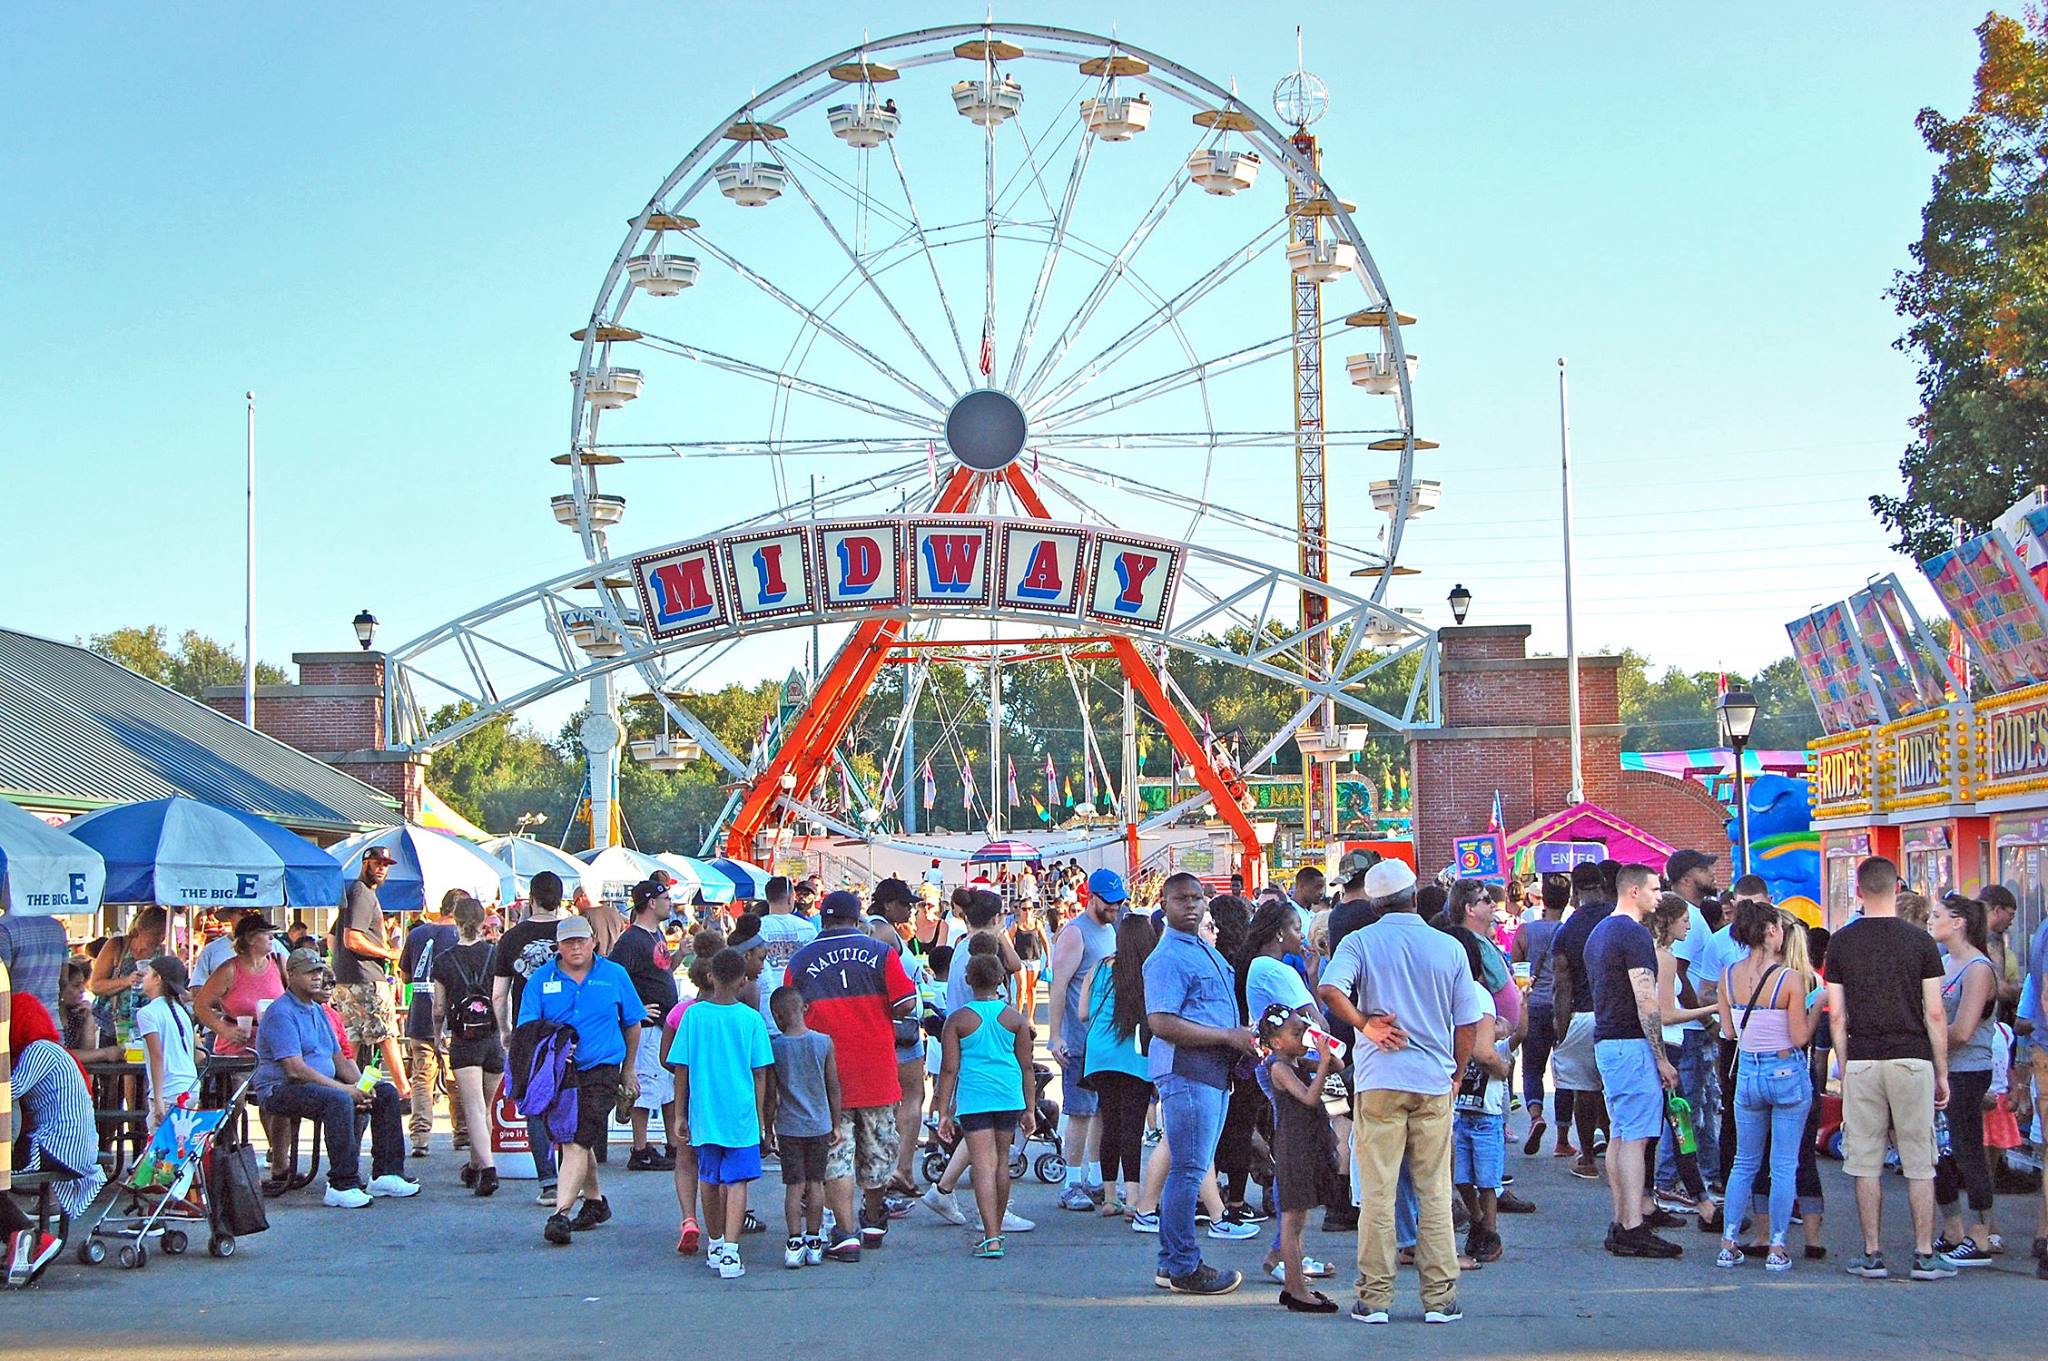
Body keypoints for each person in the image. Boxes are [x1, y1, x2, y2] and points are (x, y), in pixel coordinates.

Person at [1317, 856, 1477, 1325]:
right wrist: (1456, 1074)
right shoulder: (1448, 946)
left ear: (1374, 904)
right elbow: (1468, 1021)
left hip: (1379, 1082)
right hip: (1432, 1081)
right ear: (1415, 897)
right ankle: (1440, 1298)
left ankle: (1374, 1298)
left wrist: (1365, 1025)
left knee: (1378, 1194)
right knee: (1434, 1191)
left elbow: (1329, 989)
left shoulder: (1361, 942)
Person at [1824, 856, 1953, 1281]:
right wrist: (1941, 1070)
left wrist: (1845, 1066)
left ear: (1858, 891)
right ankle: (1923, 1254)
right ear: (1897, 888)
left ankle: (1872, 1253)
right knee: (1919, 1160)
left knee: (1865, 1161)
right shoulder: (1920, 942)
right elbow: (1935, 1012)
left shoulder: (1840, 943)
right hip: (1912, 1057)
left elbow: (1836, 1014)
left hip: (1863, 1058)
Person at [783, 889, 917, 1261]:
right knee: (877, 1149)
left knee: (836, 1155)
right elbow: (906, 1003)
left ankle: (845, 1233)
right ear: (857, 919)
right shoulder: (881, 953)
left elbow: (788, 1011)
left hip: (825, 1075)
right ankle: (872, 1219)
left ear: (823, 919)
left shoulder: (801, 959)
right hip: (876, 1068)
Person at [1144, 872, 1257, 1296]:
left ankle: (1172, 1262)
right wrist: (1228, 1036)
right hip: (1188, 1070)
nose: (1191, 905)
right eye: (1181, 899)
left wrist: (1238, 1036)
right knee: (1189, 1169)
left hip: (1211, 1070)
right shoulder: (1168, 956)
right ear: (1164, 904)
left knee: (1192, 1165)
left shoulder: (1200, 947)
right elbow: (1161, 1021)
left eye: (1196, 898)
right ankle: (1182, 1265)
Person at [253, 947, 418, 1209]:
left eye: (319, 972)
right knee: (338, 1100)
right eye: (309, 972)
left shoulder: (318, 1010)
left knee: (384, 1092)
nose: (317, 978)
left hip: (319, 1084)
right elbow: (294, 1069)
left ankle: (387, 1174)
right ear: (291, 974)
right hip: (281, 1089)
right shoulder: (281, 1012)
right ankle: (342, 1183)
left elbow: (339, 1058)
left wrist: (362, 1086)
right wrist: (344, 1090)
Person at [519, 914, 640, 1245]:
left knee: (576, 1139)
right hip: (561, 1073)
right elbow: (527, 1029)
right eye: (568, 942)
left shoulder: (614, 975)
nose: (575, 947)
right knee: (575, 1137)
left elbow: (632, 1024)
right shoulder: (540, 980)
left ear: (594, 942)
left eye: (581, 941)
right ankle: (596, 1201)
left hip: (602, 1067)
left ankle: (560, 1214)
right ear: (557, 946)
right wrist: (554, 1041)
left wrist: (629, 1069)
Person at [1585, 864, 1683, 1259]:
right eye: (1655, 889)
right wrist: (1661, 1057)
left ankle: (1621, 1220)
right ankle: (1632, 1225)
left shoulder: (1599, 932)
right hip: (1630, 1043)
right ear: (1634, 891)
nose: (1659, 897)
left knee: (1621, 1133)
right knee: (1636, 1137)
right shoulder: (1634, 934)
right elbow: (1647, 1000)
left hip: (1608, 1041)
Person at [1715, 897, 1817, 1271]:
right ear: (1772, 931)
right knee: (1784, 1165)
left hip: (1748, 1072)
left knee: (1744, 1162)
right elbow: (1800, 1036)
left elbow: (1728, 1032)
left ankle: (1728, 1243)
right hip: (1784, 1070)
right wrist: (1818, 1006)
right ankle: (1777, 1245)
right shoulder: (1789, 979)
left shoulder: (1728, 976)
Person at [672, 948, 771, 1279]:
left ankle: (714, 1242)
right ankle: (731, 1249)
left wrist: (680, 1113)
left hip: (704, 1113)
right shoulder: (751, 1020)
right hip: (741, 1115)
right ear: (744, 981)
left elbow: (681, 1068)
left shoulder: (693, 1017)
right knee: (738, 1181)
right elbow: (760, 1072)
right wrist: (761, 1119)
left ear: (710, 977)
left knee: (709, 1179)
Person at [934, 953, 1036, 1260]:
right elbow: (1027, 1067)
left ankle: (991, 1237)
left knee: (982, 1164)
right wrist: (1030, 1109)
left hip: (975, 1097)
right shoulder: (1015, 1019)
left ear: (968, 980)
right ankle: (998, 1229)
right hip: (1008, 1095)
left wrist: (943, 1110)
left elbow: (949, 1069)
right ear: (1001, 980)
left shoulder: (958, 1020)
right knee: (1002, 1161)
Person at [1046, 866, 1123, 1212]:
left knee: (1101, 1111)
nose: (1114, 907)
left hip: (1103, 1041)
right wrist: (1055, 1036)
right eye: (1108, 902)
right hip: (1078, 1041)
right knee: (1079, 1111)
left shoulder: (1110, 930)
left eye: (1118, 901)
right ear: (1091, 898)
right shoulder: (1075, 933)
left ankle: (1095, 1179)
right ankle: (1071, 1183)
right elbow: (1059, 986)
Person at [1928, 893, 1998, 1267]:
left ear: (1959, 922)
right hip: (1939, 1067)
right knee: (1937, 1150)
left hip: (1968, 1069)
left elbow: (1964, 1030)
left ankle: (1981, 1234)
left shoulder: (1978, 968)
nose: (1930, 920)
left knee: (1966, 1148)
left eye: (1937, 914)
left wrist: (1925, 1037)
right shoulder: (1943, 964)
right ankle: (1953, 1228)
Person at [1259, 1005, 1341, 1313]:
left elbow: (1338, 1065)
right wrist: (1322, 1063)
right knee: (1291, 1221)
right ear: (1277, 1042)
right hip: (1293, 1148)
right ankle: (1295, 1288)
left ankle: (1296, 1286)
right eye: (1297, 1033)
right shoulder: (1279, 1067)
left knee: (1299, 1220)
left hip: (1308, 1145)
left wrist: (1325, 1049)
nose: (1303, 1036)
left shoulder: (1298, 1061)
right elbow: (1308, 1097)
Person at [1648, 893, 1721, 1230]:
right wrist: (1711, 1009)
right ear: (1668, 922)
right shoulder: (1663, 958)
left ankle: (1670, 1198)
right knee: (1680, 1124)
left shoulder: (1657, 954)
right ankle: (1701, 1202)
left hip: (1666, 1047)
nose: (1689, 927)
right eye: (1684, 921)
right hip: (1669, 1047)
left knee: (1672, 1124)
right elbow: (1666, 1013)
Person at [1076, 911, 1157, 1218]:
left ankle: (1110, 1197)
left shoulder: (1098, 967)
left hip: (1100, 1055)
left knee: (1110, 1123)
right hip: (1134, 1055)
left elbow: (1083, 1013)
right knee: (1132, 1127)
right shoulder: (1148, 971)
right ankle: (1133, 1199)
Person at [494, 870, 566, 1203]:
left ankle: (549, 1182)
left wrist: (505, 1030)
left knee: (535, 1104)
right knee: (571, 1101)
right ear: (560, 899)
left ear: (531, 899)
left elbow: (499, 994)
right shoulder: (573, 934)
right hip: (568, 1029)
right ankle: (574, 1175)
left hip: (528, 1031)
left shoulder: (511, 938)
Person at [1449, 929, 1513, 1266]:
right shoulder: (1472, 993)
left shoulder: (1465, 993)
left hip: (1473, 1103)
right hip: (1471, 1102)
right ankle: (1480, 1224)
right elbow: (1484, 1052)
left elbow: (1484, 1051)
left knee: (1479, 1177)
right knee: (1471, 1176)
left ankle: (1487, 1229)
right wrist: (1501, 1066)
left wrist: (1499, 1065)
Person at [430, 893, 501, 1197]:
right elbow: (503, 997)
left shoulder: (443, 961)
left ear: (455, 922)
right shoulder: (496, 955)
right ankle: (475, 1165)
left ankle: (488, 1170)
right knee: (485, 1108)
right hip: (494, 1038)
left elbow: (438, 1007)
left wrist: (437, 1034)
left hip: (464, 1040)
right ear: (483, 922)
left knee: (473, 1108)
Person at [767, 985, 840, 1270]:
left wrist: (768, 1128)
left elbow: (771, 1094)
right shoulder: (824, 1042)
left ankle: (794, 1242)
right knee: (816, 1183)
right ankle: (814, 1240)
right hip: (819, 1124)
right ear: (805, 1008)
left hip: (789, 1126)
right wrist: (835, 1122)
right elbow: (833, 1085)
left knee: (794, 1186)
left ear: (777, 1016)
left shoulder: (776, 1047)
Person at [1548, 860, 1613, 1179]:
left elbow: (1562, 986)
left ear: (1574, 892)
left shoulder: (1566, 931)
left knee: (1584, 1092)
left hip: (1583, 1015)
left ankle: (1587, 1157)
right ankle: (1619, 1152)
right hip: (1618, 1014)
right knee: (1616, 1091)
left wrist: (1560, 1030)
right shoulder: (1619, 920)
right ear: (1603, 886)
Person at [331, 847, 410, 1106]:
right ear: (365, 864)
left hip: (346, 978)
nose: (382, 869)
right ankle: (404, 1092)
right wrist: (389, 953)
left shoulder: (353, 893)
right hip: (366, 977)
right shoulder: (362, 893)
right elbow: (352, 939)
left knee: (351, 1039)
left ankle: (345, 1090)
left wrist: (340, 964)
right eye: (377, 863)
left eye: (386, 865)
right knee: (386, 1034)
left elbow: (332, 937)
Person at [611, 880, 680, 1172]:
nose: (670, 903)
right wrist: (635, 1011)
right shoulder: (631, 940)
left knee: (666, 1085)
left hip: (663, 1023)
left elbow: (662, 970)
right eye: (666, 898)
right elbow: (615, 977)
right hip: (648, 1028)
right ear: (651, 903)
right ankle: (640, 1148)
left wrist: (680, 954)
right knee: (646, 1085)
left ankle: (673, 1144)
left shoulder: (655, 934)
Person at [398, 892, 462, 1157]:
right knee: (455, 1076)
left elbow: (405, 975)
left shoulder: (416, 934)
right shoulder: (460, 936)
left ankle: (420, 1137)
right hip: (453, 1017)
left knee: (422, 1078)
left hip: (420, 1014)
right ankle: (462, 1134)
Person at [1513, 872, 1570, 1155]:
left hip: (1533, 1006)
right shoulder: (1568, 931)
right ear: (1568, 899)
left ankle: (1536, 1115)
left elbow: (1516, 969)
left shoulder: (1526, 931)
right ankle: (1562, 1139)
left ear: (1543, 898)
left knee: (1533, 1068)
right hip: (1562, 1007)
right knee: (1564, 1073)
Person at [134, 955, 198, 1130]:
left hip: (169, 1089)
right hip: (190, 1085)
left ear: (157, 979)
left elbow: (157, 1056)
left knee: (160, 1143)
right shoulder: (182, 1011)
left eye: (148, 973)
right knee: (180, 1141)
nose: (143, 977)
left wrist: (158, 1098)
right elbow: (197, 1054)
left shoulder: (147, 1013)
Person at [87, 905, 166, 1041]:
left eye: (163, 934)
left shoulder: (164, 952)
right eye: (155, 933)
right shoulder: (117, 946)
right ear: (140, 929)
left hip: (149, 1026)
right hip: (113, 1025)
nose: (160, 938)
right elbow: (95, 986)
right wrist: (126, 981)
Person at [755, 877, 818, 1035]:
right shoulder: (808, 929)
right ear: (791, 898)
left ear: (767, 898)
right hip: (802, 1015)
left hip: (766, 1013)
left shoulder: (757, 928)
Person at [0, 901, 71, 1015]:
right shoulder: (57, 927)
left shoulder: (3, 928)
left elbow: (2, 981)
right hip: (50, 1017)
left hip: (18, 1019)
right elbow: (64, 979)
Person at [190, 907, 287, 989]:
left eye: (255, 913)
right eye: (243, 913)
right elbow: (197, 987)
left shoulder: (274, 946)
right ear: (229, 916)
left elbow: (292, 981)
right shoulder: (212, 950)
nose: (250, 917)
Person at [1010, 901, 1048, 1022]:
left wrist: (1049, 960)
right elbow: (1009, 942)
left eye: (1030, 909)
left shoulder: (1037, 924)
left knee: (1031, 988)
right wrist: (1010, 959)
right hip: (1020, 959)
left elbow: (1045, 942)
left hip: (1034, 959)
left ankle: (1030, 1018)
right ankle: (1018, 1015)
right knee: (1022, 987)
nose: (1027, 912)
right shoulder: (1016, 925)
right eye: (1024, 909)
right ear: (1020, 910)